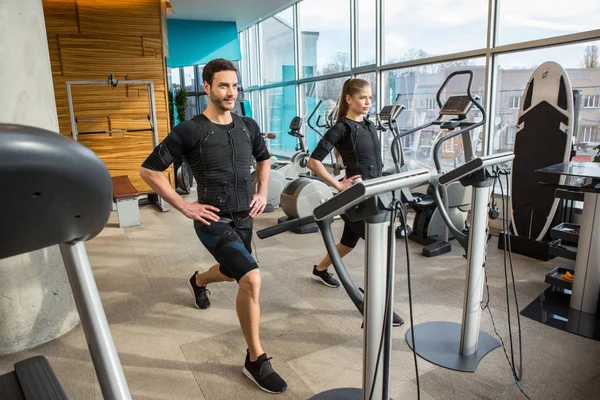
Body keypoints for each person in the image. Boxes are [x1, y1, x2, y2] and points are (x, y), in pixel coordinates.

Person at [140, 58, 287, 394]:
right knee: (251, 277)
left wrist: (262, 192)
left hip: (243, 217)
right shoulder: (190, 129)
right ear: (207, 87)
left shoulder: (248, 126)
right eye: (223, 85)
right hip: (212, 220)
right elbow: (149, 170)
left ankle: (199, 279)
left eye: (234, 85)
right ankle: (255, 358)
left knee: (234, 271)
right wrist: (184, 206)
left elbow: (264, 159)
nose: (230, 92)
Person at [306, 78, 404, 327]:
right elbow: (313, 161)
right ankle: (376, 302)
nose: (368, 102)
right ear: (349, 99)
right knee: (379, 249)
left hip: (374, 194)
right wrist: (339, 185)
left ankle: (319, 269)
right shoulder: (342, 128)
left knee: (347, 244)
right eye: (363, 97)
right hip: (357, 198)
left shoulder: (370, 125)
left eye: (370, 98)